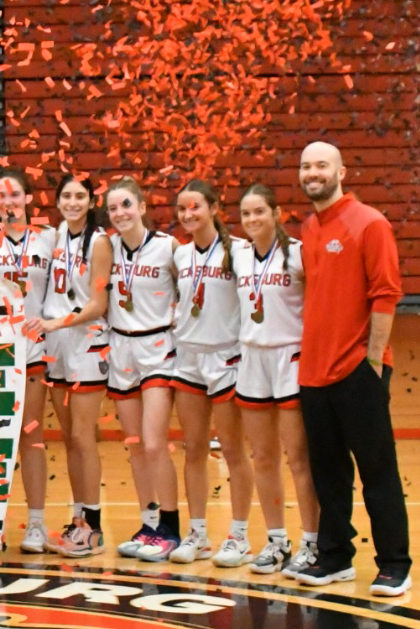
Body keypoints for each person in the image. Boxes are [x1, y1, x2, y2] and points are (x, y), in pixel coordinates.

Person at [293, 141, 411, 596]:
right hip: (314, 373)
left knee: (377, 471)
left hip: (359, 370)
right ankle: (336, 556)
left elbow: (386, 294)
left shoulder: (371, 223)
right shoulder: (308, 227)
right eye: (306, 166)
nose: (313, 172)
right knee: (328, 473)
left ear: (342, 170)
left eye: (321, 165)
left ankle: (395, 564)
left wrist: (373, 361)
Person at [152, 180, 255, 565]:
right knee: (193, 449)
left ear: (214, 208)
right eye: (182, 209)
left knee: (231, 450)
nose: (188, 214)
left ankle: (239, 535)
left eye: (195, 207)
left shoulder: (238, 251)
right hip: (189, 359)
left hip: (226, 359)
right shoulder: (178, 255)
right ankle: (197, 534)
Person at [230, 184, 321, 576]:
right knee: (263, 457)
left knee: (298, 458)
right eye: (246, 213)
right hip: (251, 358)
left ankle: (313, 543)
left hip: (290, 357)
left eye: (259, 212)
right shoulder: (237, 255)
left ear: (277, 213)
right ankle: (276, 540)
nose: (252, 220)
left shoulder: (299, 254)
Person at [0, 169, 54, 552]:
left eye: (15, 194)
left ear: (28, 199)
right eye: (1, 195)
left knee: (30, 437)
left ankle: (36, 523)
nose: (8, 201)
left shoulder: (49, 237)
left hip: (33, 348)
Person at [98, 177, 182, 560]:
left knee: (153, 442)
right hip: (120, 348)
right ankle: (148, 524)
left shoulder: (167, 248)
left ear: (143, 207)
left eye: (126, 205)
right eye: (113, 208)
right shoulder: (107, 248)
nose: (120, 214)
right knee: (134, 447)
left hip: (158, 347)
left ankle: (170, 526)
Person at [32, 175, 114, 559]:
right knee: (68, 438)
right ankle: (78, 519)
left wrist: (55, 323)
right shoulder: (57, 233)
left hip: (86, 342)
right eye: (66, 195)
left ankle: (94, 527)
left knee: (83, 436)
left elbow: (98, 304)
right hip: (59, 344)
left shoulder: (99, 241)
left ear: (91, 200)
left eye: (80, 196)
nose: (73, 202)